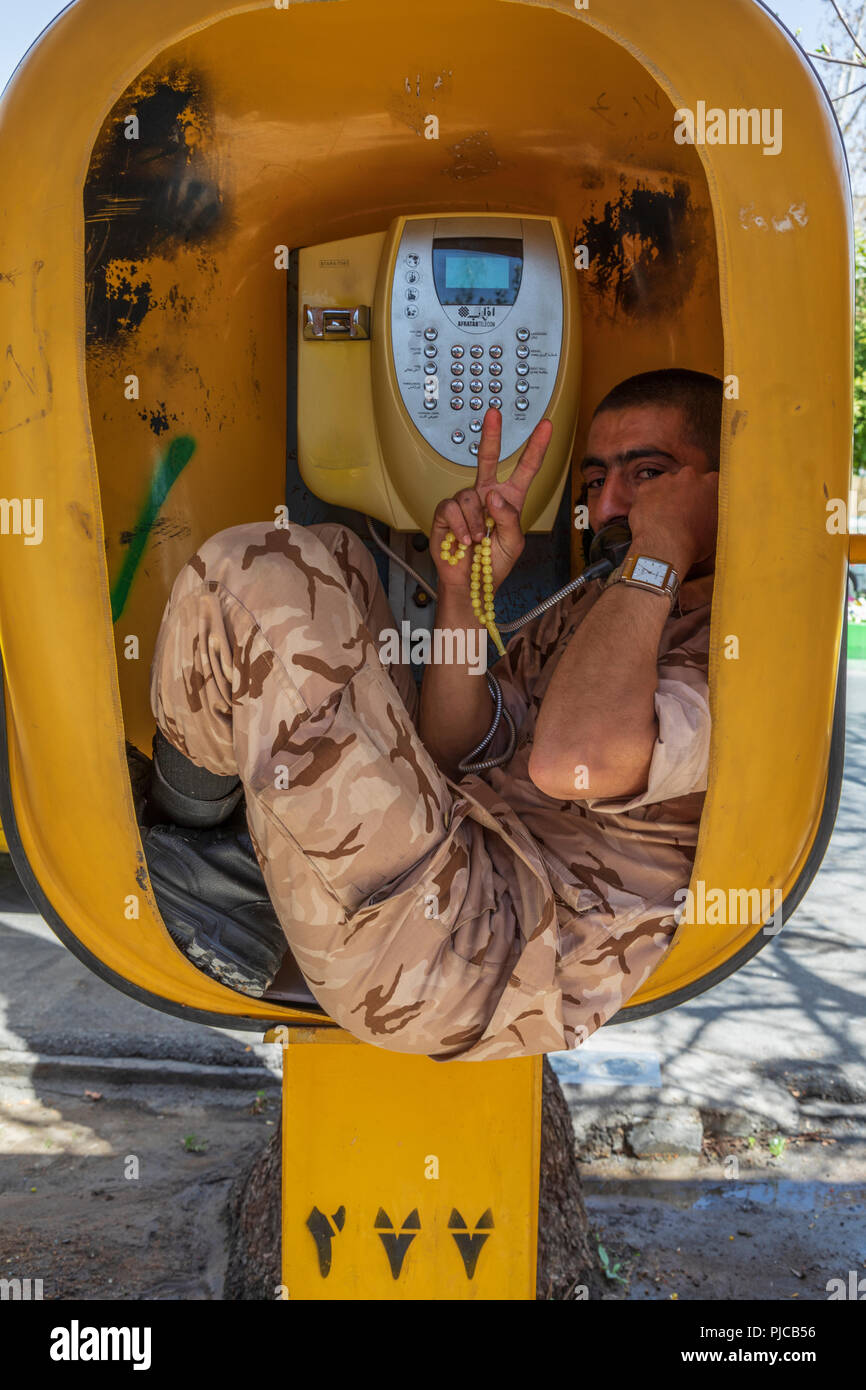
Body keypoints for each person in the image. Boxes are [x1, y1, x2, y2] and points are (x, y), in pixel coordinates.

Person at [148, 368, 720, 1060]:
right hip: (452, 857)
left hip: (474, 960)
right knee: (331, 559)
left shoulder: (733, 642)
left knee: (252, 580)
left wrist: (659, 553)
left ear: (716, 485)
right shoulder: (602, 606)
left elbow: (576, 761)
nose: (609, 507)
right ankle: (219, 851)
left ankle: (200, 859)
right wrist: (461, 594)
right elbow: (459, 749)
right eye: (595, 482)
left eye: (649, 474)